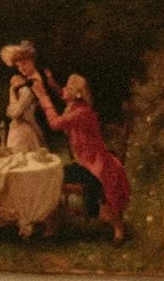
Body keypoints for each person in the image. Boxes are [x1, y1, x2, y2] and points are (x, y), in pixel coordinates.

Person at [25, 63, 131, 242]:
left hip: (94, 165)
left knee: (55, 177)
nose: (63, 90)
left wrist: (43, 96)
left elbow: (55, 123)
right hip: (88, 161)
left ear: (76, 94)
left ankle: (116, 227)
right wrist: (53, 85)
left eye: (68, 87)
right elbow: (63, 95)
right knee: (55, 176)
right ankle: (53, 223)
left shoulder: (81, 113)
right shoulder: (77, 106)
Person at [0, 42, 47, 153]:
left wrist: (12, 90)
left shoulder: (30, 86)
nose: (21, 68)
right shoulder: (28, 82)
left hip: (27, 130)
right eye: (18, 66)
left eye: (24, 64)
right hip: (25, 128)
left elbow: (14, 113)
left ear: (32, 62)